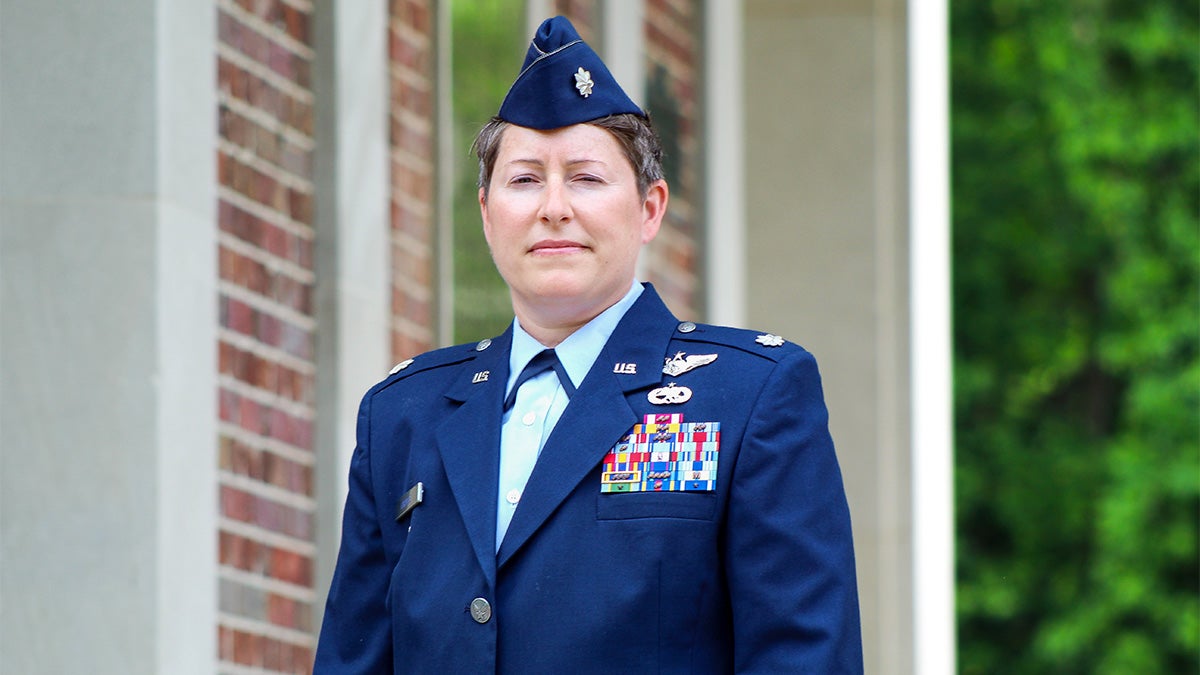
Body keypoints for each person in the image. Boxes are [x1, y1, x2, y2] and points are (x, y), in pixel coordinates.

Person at [315, 16, 863, 673]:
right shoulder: (402, 415)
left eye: (585, 178)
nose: (553, 207)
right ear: (487, 213)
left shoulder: (749, 396)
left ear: (650, 208)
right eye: (524, 180)